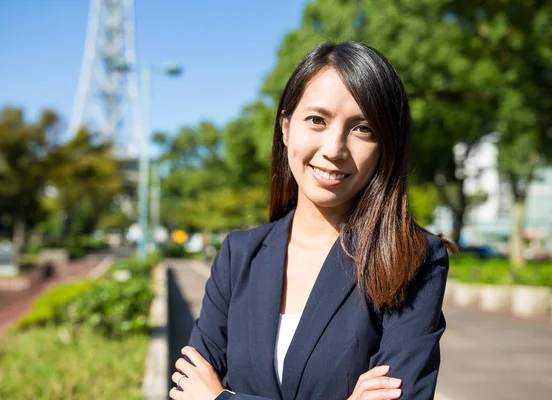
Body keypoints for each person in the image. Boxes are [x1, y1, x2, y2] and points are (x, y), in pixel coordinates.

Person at [170, 41, 457, 400]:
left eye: (363, 129)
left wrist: (222, 398)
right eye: (317, 120)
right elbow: (186, 389)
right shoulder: (239, 255)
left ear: (386, 146)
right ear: (286, 128)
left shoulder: (413, 258)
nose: (334, 148)